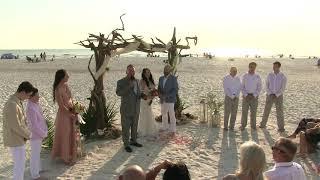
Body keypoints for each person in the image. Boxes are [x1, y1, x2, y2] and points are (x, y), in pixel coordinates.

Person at [2, 81, 34, 180]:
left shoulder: (17, 101)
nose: (28, 98)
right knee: (19, 166)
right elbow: (15, 126)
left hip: (18, 138)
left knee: (20, 165)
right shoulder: (12, 104)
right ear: (23, 92)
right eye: (28, 95)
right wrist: (29, 135)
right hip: (15, 139)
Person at [51, 69, 78, 165]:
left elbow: (71, 97)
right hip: (64, 115)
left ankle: (71, 154)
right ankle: (65, 158)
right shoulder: (57, 89)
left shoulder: (66, 86)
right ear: (62, 77)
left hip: (71, 110)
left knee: (72, 133)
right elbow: (61, 106)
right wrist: (70, 114)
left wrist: (75, 108)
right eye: (67, 76)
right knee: (65, 134)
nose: (68, 77)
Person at [116, 64, 143, 153]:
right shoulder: (121, 82)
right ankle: (126, 144)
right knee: (126, 128)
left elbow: (138, 94)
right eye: (130, 71)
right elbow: (119, 93)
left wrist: (144, 95)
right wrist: (129, 87)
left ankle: (134, 141)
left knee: (134, 126)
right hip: (126, 109)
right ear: (126, 71)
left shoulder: (137, 81)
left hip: (136, 109)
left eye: (133, 71)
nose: (132, 72)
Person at [26, 88, 48, 180]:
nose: (39, 97)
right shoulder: (30, 107)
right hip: (35, 135)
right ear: (31, 96)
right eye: (36, 95)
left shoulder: (35, 104)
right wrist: (43, 134)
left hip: (39, 133)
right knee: (34, 154)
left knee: (37, 153)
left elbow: (41, 119)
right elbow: (34, 125)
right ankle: (35, 175)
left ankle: (38, 169)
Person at [259, 61, 287, 132]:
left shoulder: (283, 76)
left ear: (279, 67)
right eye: (273, 66)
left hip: (279, 96)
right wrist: (270, 93)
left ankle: (281, 127)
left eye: (275, 66)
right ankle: (263, 124)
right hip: (269, 95)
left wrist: (276, 94)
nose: (274, 67)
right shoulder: (269, 75)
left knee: (279, 112)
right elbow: (266, 85)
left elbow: (283, 88)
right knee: (266, 110)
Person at [158, 65, 179, 135]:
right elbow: (159, 88)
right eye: (164, 69)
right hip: (162, 99)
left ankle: (173, 130)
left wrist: (166, 96)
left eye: (167, 70)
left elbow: (175, 90)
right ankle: (165, 127)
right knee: (163, 113)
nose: (165, 71)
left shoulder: (173, 78)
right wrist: (160, 95)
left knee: (171, 114)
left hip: (170, 99)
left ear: (170, 71)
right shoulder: (161, 78)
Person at [240, 62, 262, 130]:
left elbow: (259, 87)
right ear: (249, 67)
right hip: (245, 96)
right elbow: (241, 86)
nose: (252, 68)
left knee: (253, 112)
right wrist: (246, 95)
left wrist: (254, 95)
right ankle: (243, 125)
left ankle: (253, 126)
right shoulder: (244, 76)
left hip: (254, 97)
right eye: (251, 67)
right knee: (244, 112)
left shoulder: (257, 76)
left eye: (254, 67)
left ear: (255, 68)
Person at [138, 68, 158, 137]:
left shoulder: (151, 81)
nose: (148, 74)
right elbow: (141, 92)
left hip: (150, 100)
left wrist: (153, 96)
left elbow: (154, 90)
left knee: (149, 113)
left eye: (149, 72)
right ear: (143, 74)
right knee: (144, 114)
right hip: (144, 100)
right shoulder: (142, 81)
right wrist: (148, 96)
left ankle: (149, 129)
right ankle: (143, 130)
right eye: (146, 73)